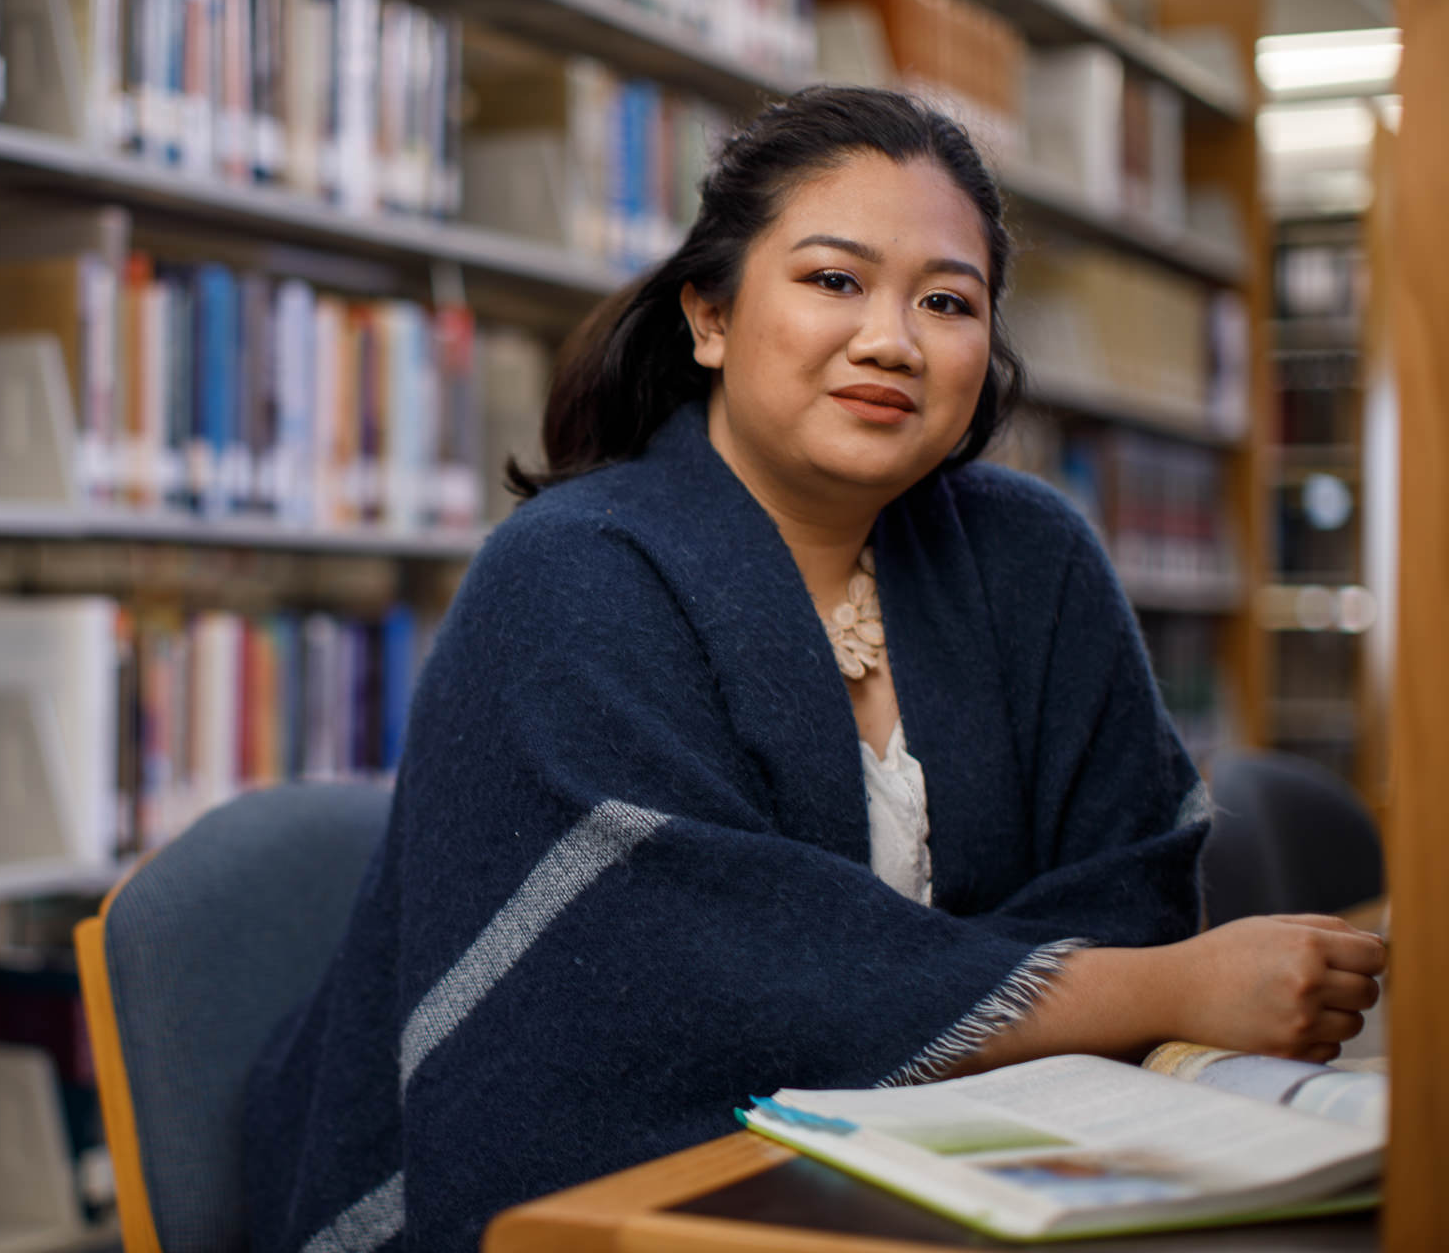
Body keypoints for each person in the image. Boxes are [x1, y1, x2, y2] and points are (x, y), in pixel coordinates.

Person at [241, 86, 1385, 1253]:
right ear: (711, 317)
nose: (890, 338)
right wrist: (1160, 990)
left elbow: (1131, 886)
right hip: (632, 1198)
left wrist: (886, 982)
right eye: (834, 279)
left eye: (947, 300)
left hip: (970, 1177)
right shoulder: (568, 573)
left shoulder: (1032, 557)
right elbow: (675, 975)